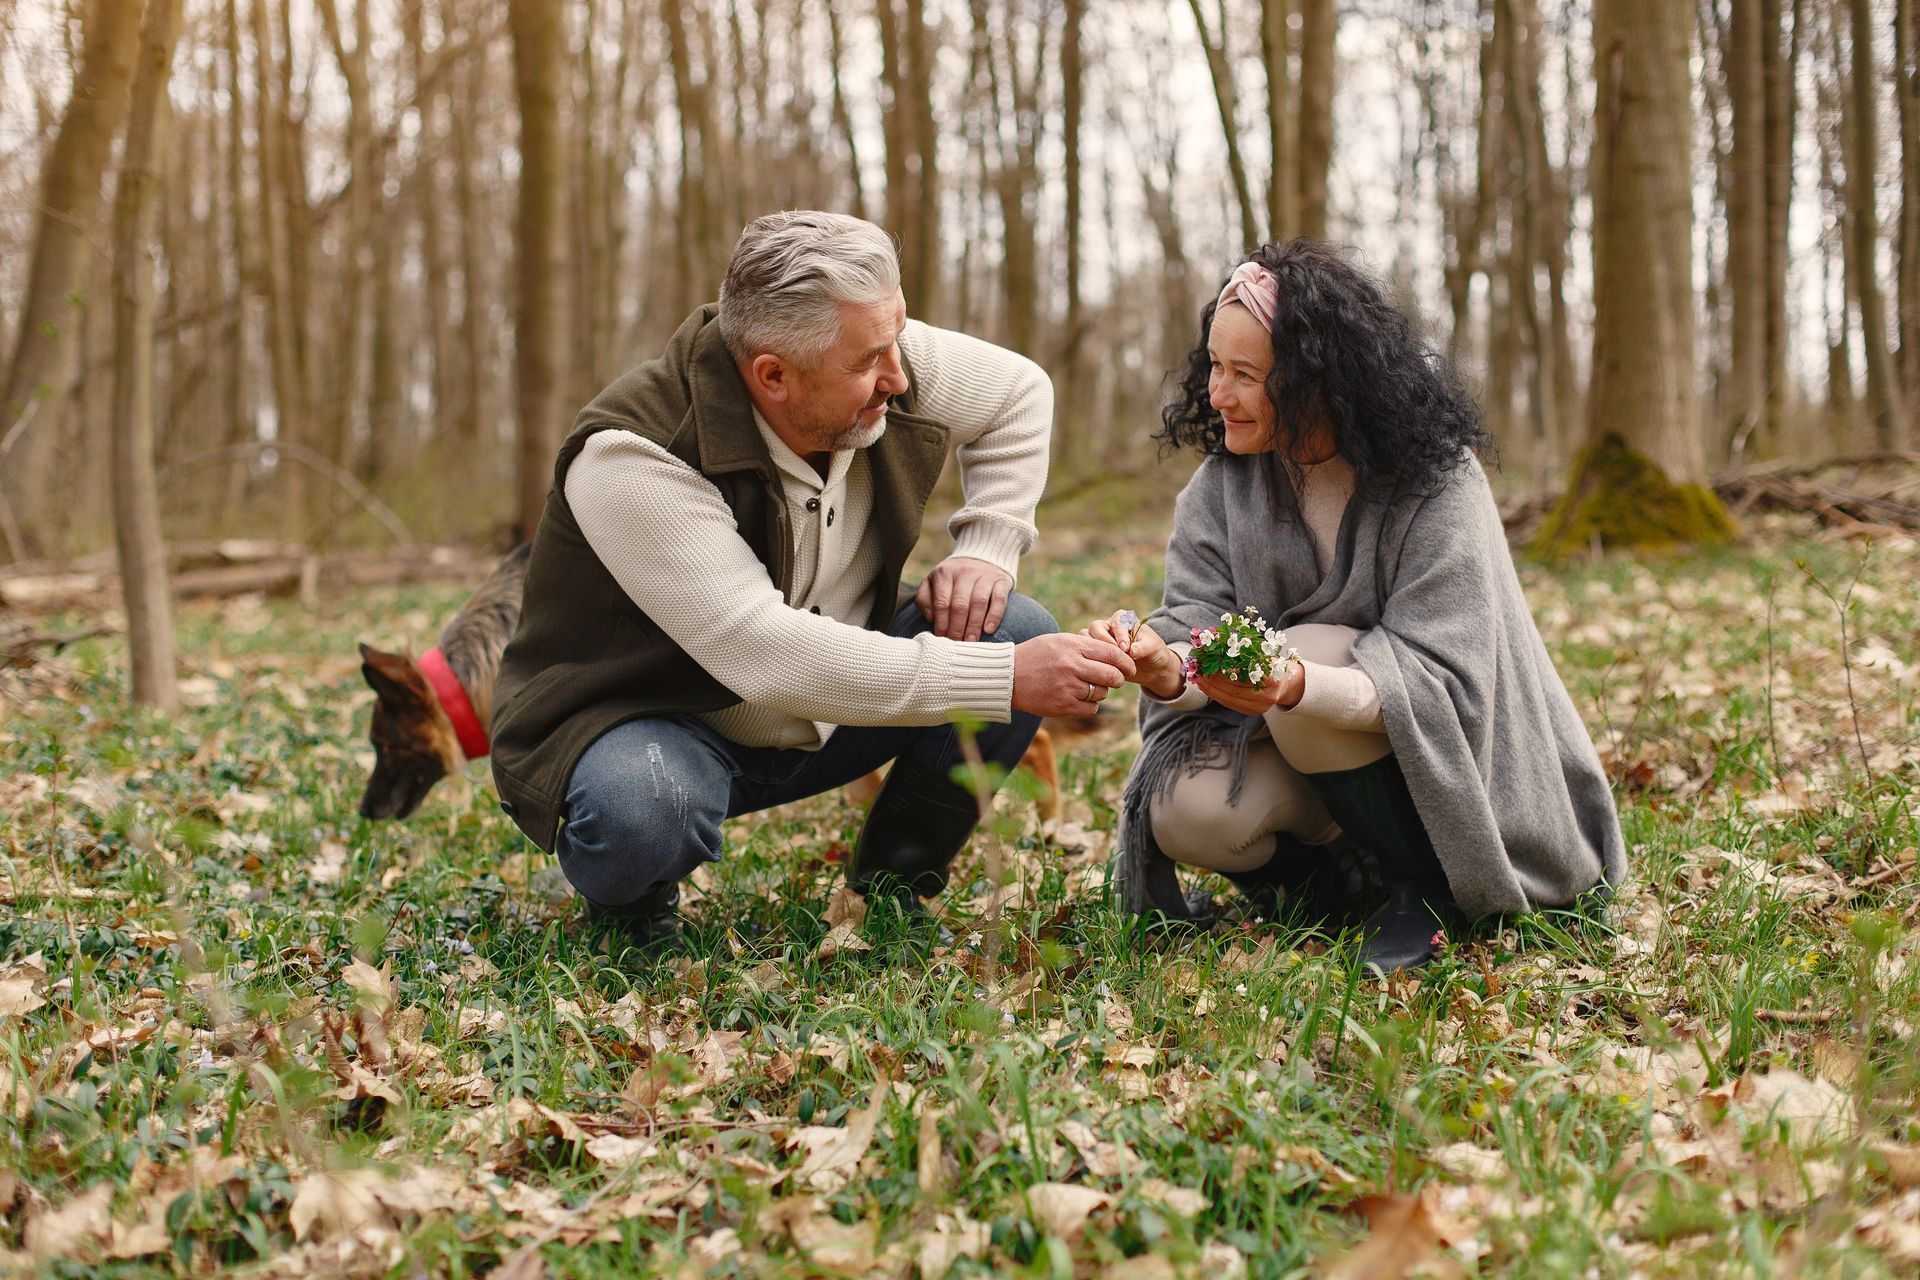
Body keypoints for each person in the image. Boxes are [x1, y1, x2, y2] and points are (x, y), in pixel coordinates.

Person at [490, 211, 1136, 948]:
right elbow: (766, 653)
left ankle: (891, 891)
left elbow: (1020, 393)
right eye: (869, 362)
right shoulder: (633, 455)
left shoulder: (869, 351)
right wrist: (1000, 678)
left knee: (1013, 624)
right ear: (773, 376)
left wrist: (989, 545)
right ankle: (632, 910)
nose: (898, 376)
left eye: (897, 340)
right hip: (660, 723)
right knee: (643, 805)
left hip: (831, 710)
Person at [1087, 240, 1625, 972]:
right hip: (1303, 753)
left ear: (1316, 380)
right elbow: (1194, 627)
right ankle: (1334, 888)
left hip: (1452, 769)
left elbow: (1448, 677)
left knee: (1304, 655)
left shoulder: (1435, 481)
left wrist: (1296, 685)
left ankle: (1422, 891)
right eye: (1215, 365)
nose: (1217, 394)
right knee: (1188, 809)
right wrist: (1160, 666)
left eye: (1245, 374)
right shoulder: (1220, 491)